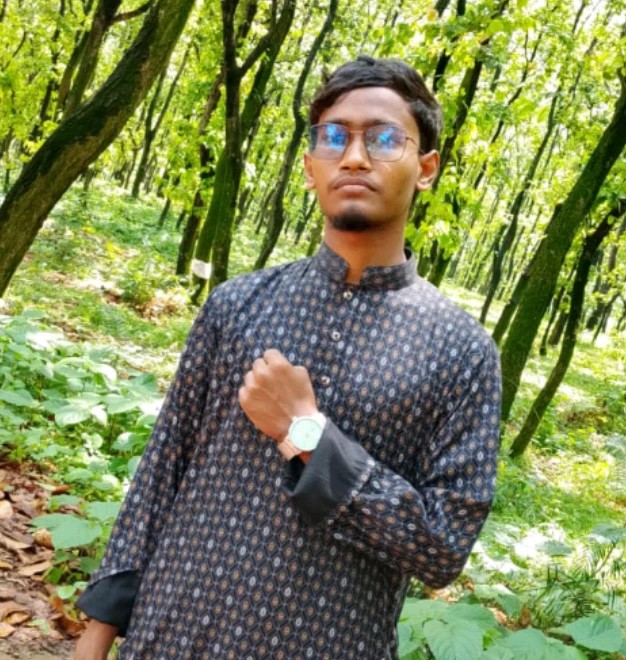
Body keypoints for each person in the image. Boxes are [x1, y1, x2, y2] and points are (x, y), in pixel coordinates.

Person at [75, 55, 501, 660]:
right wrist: (97, 634)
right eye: (334, 138)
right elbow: (161, 473)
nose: (355, 157)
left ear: (425, 168)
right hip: (171, 635)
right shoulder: (238, 306)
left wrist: (308, 436)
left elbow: (442, 547)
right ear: (309, 167)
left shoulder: (461, 352)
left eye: (384, 139)